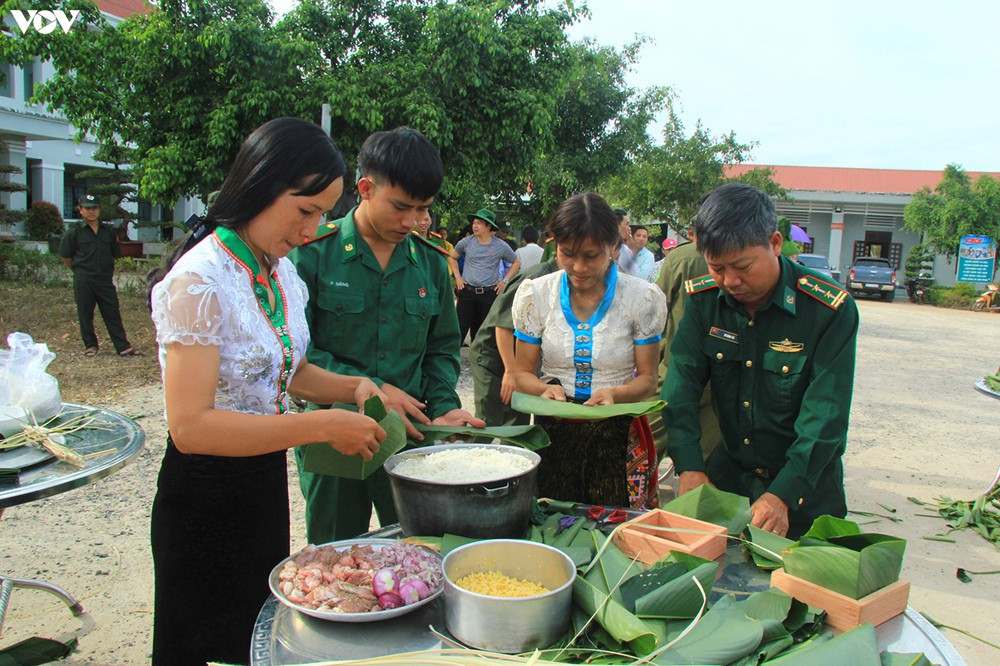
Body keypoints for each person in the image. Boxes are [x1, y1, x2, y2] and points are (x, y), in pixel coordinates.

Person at [148, 117, 388, 666]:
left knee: (256, 633)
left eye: (323, 214)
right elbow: (191, 428)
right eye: (304, 211)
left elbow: (285, 369)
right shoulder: (200, 281)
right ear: (259, 184)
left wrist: (352, 386)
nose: (311, 229)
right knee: (202, 641)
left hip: (259, 479)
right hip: (203, 496)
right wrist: (318, 426)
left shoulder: (278, 273)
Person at [291, 126, 483, 543]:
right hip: (333, 434)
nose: (412, 221)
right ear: (365, 188)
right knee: (335, 553)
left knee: (417, 546)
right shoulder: (312, 255)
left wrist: (445, 407)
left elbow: (442, 348)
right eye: (401, 207)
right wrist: (373, 388)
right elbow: (295, 354)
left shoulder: (430, 262)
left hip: (405, 434)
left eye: (422, 209)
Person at [661, 182, 859, 539]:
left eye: (742, 266)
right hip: (728, 484)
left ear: (775, 243)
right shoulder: (705, 301)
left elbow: (825, 418)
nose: (730, 281)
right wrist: (689, 465)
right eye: (717, 268)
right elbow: (681, 386)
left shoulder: (828, 310)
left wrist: (783, 495)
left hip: (805, 494)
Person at [512, 192, 667, 509]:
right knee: (554, 521)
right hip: (554, 432)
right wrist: (543, 389)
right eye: (567, 253)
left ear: (614, 246)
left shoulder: (641, 298)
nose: (578, 266)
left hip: (618, 431)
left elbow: (648, 379)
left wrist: (615, 394)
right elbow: (522, 374)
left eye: (591, 256)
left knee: (618, 528)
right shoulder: (536, 295)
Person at [647, 232, 720, 462]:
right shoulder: (745, 256)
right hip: (722, 376)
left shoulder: (680, 257)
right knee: (710, 461)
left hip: (673, 370)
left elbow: (656, 308)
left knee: (639, 448)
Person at [470, 256, 559, 426]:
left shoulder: (569, 281)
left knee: (518, 420)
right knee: (488, 422)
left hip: (522, 361)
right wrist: (511, 372)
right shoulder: (535, 278)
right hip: (494, 358)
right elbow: (503, 326)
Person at [58, 194, 141, 357]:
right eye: (87, 208)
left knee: (112, 312)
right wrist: (79, 271)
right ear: (80, 210)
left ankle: (122, 345)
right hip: (84, 279)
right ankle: (90, 345)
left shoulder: (108, 232)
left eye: (94, 208)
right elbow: (66, 256)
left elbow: (114, 254)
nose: (91, 211)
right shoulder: (74, 233)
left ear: (99, 210)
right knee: (85, 313)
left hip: (104, 279)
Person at [450, 208, 520, 345]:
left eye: (479, 223)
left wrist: (504, 281)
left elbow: (516, 262)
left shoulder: (500, 245)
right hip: (467, 292)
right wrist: (458, 277)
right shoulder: (466, 242)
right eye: (474, 223)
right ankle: (452, 361)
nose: (475, 226)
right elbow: (452, 258)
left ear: (488, 226)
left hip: (488, 293)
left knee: (482, 331)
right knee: (459, 328)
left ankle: (478, 362)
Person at [613, 208, 641, 277]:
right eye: (627, 224)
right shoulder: (623, 250)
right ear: (617, 225)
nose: (629, 228)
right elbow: (636, 276)